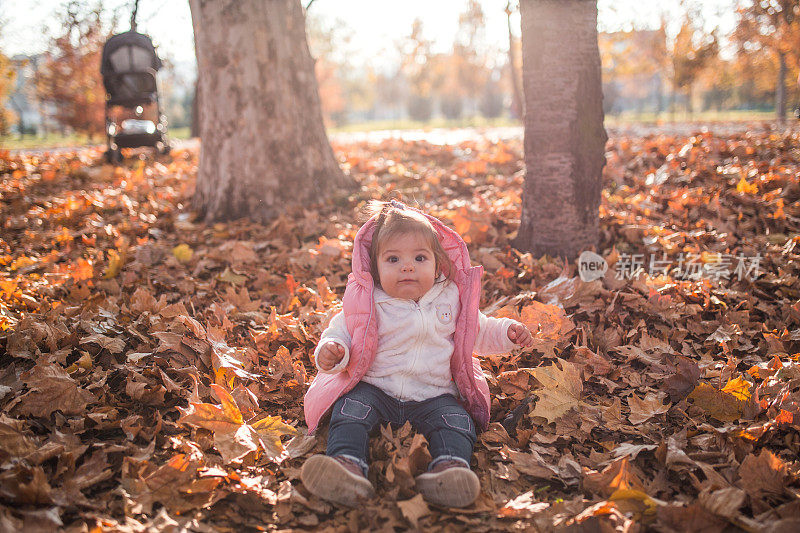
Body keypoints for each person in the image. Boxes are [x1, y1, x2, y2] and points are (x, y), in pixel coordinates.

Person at [300, 200, 533, 508]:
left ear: (438, 264)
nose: (407, 266)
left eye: (419, 257)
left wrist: (508, 333)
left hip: (434, 393)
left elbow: (478, 330)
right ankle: (346, 464)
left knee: (456, 421)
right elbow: (340, 332)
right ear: (375, 267)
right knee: (350, 410)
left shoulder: (450, 299)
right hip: (376, 388)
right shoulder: (370, 303)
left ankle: (449, 469)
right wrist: (334, 352)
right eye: (393, 259)